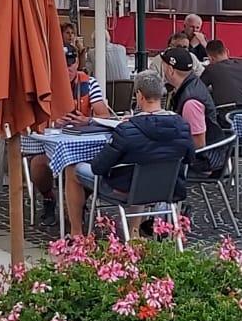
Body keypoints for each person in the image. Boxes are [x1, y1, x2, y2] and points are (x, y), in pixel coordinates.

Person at [64, 70, 196, 237]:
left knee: (71, 168)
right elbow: (190, 158)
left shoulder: (127, 129)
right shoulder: (182, 126)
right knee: (141, 168)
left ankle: (77, 234)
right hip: (168, 188)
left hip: (125, 189)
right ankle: (133, 232)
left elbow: (99, 167)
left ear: (139, 95)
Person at [29, 44, 111, 227]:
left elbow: (104, 114)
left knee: (91, 166)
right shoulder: (45, 86)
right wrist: (53, 123)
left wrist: (87, 120)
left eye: (71, 63)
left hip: (82, 144)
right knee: (38, 164)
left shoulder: (88, 83)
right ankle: (49, 197)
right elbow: (36, 122)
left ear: (77, 63)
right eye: (63, 65)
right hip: (50, 145)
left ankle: (79, 205)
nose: (68, 69)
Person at [161, 46, 223, 151]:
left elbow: (198, 145)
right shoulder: (193, 83)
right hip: (208, 151)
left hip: (201, 162)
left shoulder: (190, 102)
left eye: (164, 66)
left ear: (171, 70)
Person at [202, 39, 242, 107]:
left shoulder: (211, 69)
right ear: (227, 51)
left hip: (225, 112)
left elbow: (198, 87)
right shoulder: (240, 65)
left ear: (210, 58)